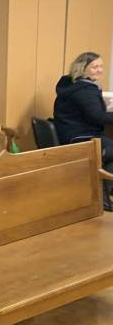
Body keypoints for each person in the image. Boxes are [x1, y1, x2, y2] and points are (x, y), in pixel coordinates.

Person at [53, 51, 113, 211]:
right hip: (81, 138)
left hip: (72, 134)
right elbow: (97, 117)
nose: (100, 70)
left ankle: (101, 192)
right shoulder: (84, 90)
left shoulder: (72, 85)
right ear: (82, 68)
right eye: (94, 67)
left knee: (110, 149)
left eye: (101, 66)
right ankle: (100, 197)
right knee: (110, 150)